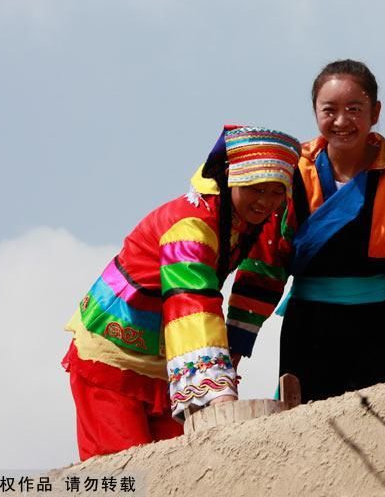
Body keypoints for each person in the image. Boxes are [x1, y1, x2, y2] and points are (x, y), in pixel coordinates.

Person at [62, 125, 301, 460]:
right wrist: (218, 389)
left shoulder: (252, 220)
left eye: (276, 192)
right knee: (122, 467)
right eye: (255, 188)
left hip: (166, 359)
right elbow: (192, 301)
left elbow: (262, 276)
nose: (265, 201)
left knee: (176, 466)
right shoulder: (190, 226)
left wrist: (234, 347)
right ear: (230, 178)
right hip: (112, 355)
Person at [249, 59, 385, 403]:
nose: (342, 121)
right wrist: (238, 341)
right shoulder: (292, 175)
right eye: (329, 110)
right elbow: (265, 262)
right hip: (311, 329)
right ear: (315, 112)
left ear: (375, 112)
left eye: (354, 109)